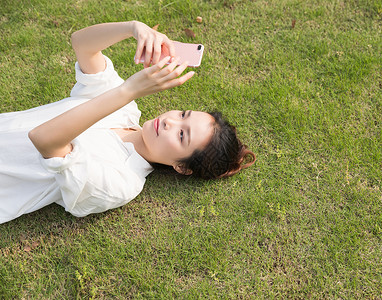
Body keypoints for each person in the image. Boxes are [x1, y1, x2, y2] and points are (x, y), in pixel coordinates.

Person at [0, 21, 255, 224]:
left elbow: (44, 139)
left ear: (181, 167)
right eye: (182, 115)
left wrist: (128, 90)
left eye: (181, 136)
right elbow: (82, 44)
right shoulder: (124, 110)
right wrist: (133, 28)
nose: (169, 122)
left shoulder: (122, 182)